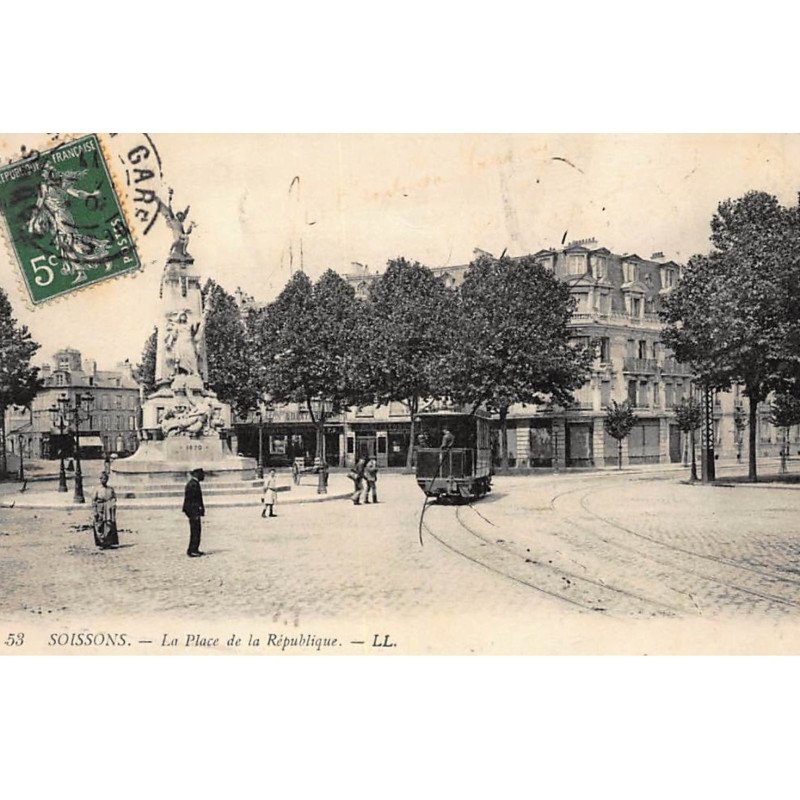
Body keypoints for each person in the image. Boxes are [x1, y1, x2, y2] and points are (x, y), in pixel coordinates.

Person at [182, 467, 206, 557]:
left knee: (196, 531)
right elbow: (191, 501)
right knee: (195, 531)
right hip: (193, 511)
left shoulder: (194, 483)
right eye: (202, 474)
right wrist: (194, 513)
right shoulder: (193, 484)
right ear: (197, 474)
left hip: (194, 511)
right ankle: (192, 550)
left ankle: (194, 549)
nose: (203, 476)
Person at [92, 472, 118, 550]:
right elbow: (94, 501)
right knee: (99, 525)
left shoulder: (110, 489)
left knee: (109, 524)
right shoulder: (97, 489)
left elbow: (114, 498)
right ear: (100, 479)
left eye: (105, 479)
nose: (104, 480)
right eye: (102, 479)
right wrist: (95, 511)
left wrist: (112, 504)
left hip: (109, 509)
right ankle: (101, 542)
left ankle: (108, 542)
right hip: (100, 508)